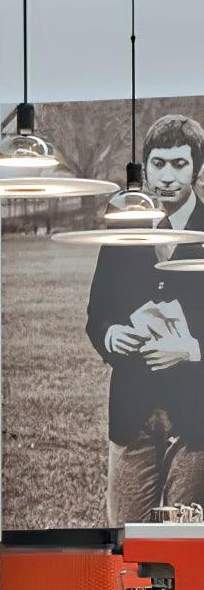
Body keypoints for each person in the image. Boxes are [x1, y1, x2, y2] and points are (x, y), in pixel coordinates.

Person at [87, 114, 204, 523]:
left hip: (194, 415)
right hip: (131, 410)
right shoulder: (125, 226)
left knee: (184, 542)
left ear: (197, 168)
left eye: (179, 164)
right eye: (158, 164)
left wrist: (192, 350)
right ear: (145, 167)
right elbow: (97, 313)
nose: (167, 176)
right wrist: (111, 335)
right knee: (126, 537)